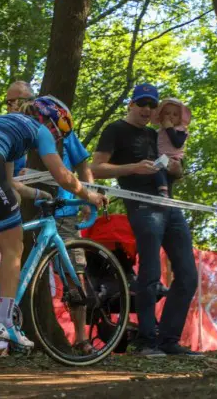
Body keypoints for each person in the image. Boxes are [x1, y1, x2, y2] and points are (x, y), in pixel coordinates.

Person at [0, 95, 108, 348]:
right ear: (50, 122)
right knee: (14, 248)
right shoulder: (39, 129)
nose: (57, 138)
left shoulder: (4, 124)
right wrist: (89, 195)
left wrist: (38, 194)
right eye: (60, 131)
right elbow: (64, 177)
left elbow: (8, 181)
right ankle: (5, 322)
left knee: (5, 222)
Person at [91, 83, 200, 357]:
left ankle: (168, 340)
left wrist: (177, 169)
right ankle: (146, 342)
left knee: (187, 275)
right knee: (150, 274)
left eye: (152, 106)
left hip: (171, 208)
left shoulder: (158, 134)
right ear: (131, 104)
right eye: (142, 104)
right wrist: (133, 168)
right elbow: (95, 168)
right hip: (142, 207)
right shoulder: (115, 129)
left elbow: (176, 168)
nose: (147, 110)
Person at [6, 81, 96, 353]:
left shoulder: (61, 129)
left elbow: (82, 165)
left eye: (20, 100)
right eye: (9, 102)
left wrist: (87, 194)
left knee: (73, 274)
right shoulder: (15, 133)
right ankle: (17, 333)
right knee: (23, 272)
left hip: (64, 210)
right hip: (29, 208)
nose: (15, 107)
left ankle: (80, 338)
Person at [150, 98, 191, 197]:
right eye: (167, 113)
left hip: (174, 159)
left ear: (180, 118)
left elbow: (177, 143)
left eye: (175, 115)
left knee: (156, 167)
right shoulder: (158, 132)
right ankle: (164, 192)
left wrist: (169, 128)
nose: (171, 117)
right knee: (156, 169)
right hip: (162, 158)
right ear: (161, 116)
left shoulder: (181, 131)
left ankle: (163, 191)